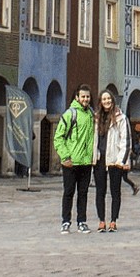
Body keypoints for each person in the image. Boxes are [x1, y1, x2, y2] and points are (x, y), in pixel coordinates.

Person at [53, 83, 95, 234]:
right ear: (77, 97)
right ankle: (66, 221)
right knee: (69, 192)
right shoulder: (69, 114)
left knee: (83, 193)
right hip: (71, 162)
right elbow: (58, 138)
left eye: (87, 97)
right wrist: (65, 156)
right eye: (83, 96)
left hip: (86, 162)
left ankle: (82, 222)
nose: (85, 99)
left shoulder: (91, 115)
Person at [92, 90, 132, 232]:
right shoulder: (96, 118)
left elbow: (125, 140)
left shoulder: (121, 118)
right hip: (99, 158)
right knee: (100, 191)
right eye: (104, 99)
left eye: (109, 98)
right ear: (100, 102)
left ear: (113, 100)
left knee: (115, 191)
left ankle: (113, 221)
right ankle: (101, 221)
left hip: (115, 159)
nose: (107, 101)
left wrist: (121, 160)